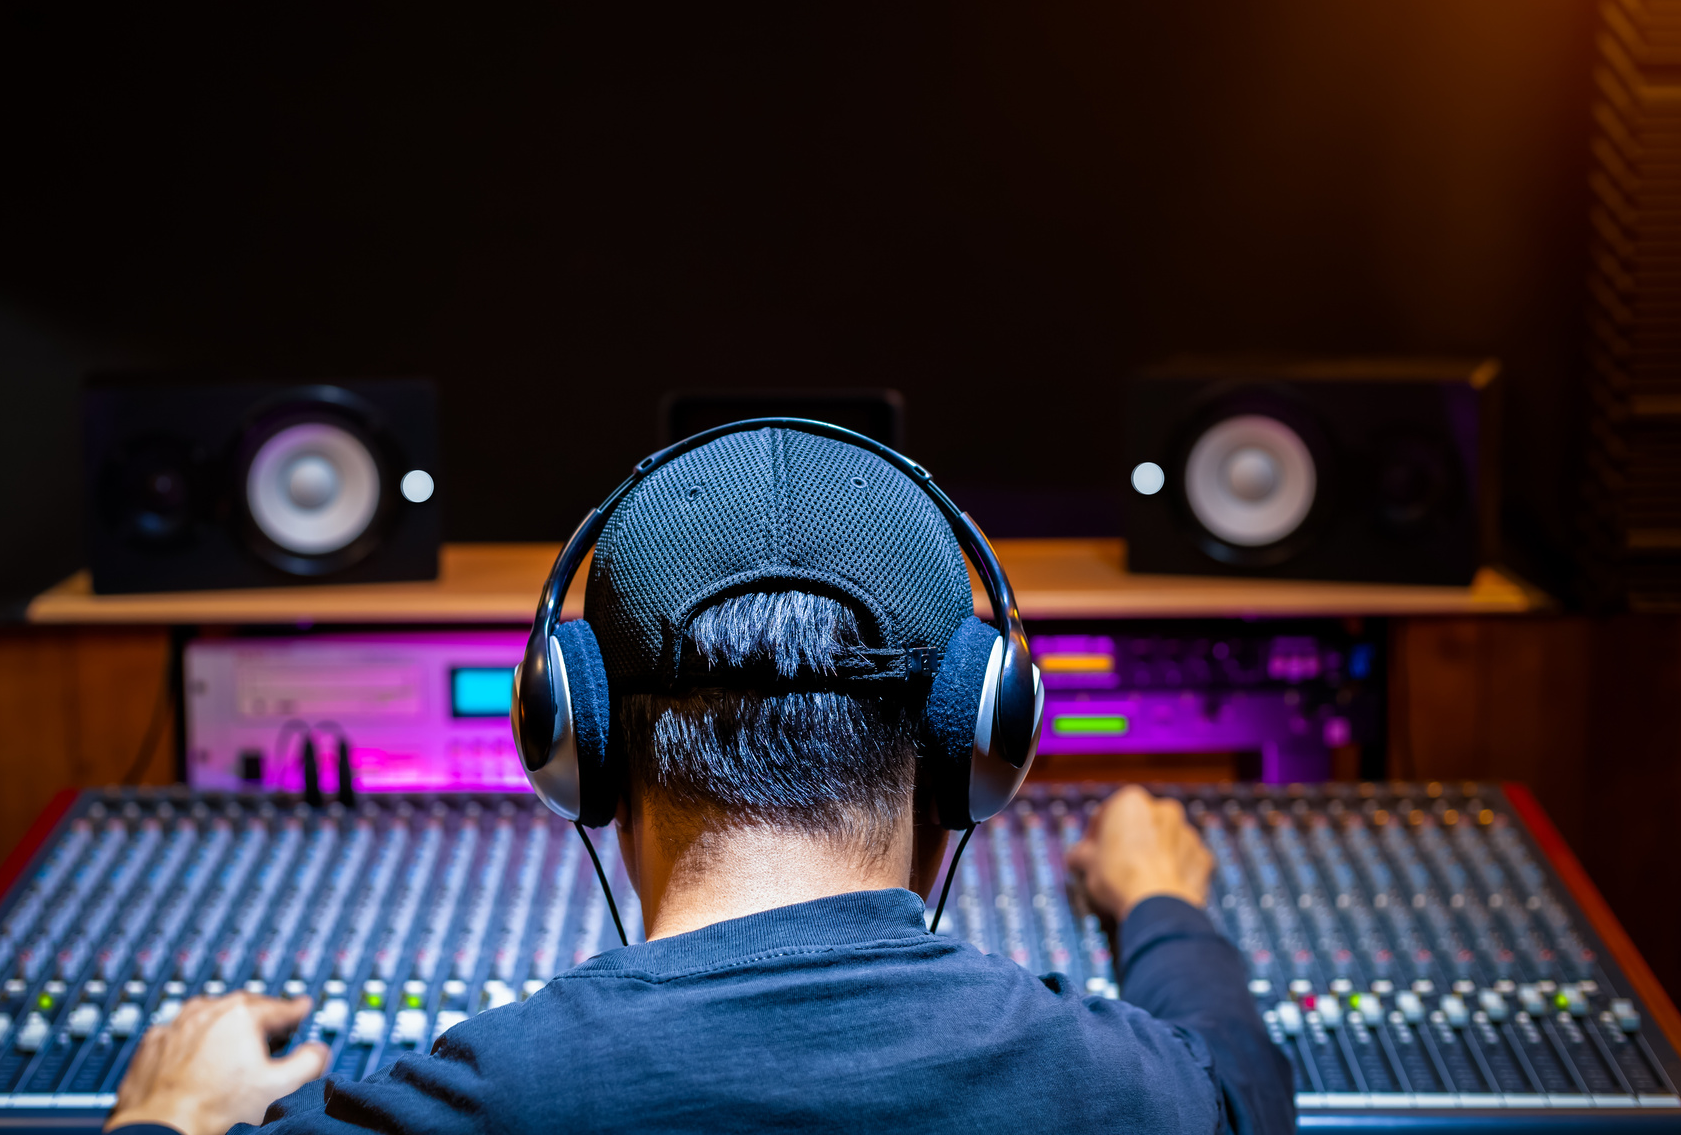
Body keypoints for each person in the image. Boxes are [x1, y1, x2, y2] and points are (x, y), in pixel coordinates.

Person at [106, 428, 1294, 1135]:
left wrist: (162, 1113)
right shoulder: (1119, 1096)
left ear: (579, 750)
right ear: (969, 752)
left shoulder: (475, 1106)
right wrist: (1161, 902)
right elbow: (1246, 1089)